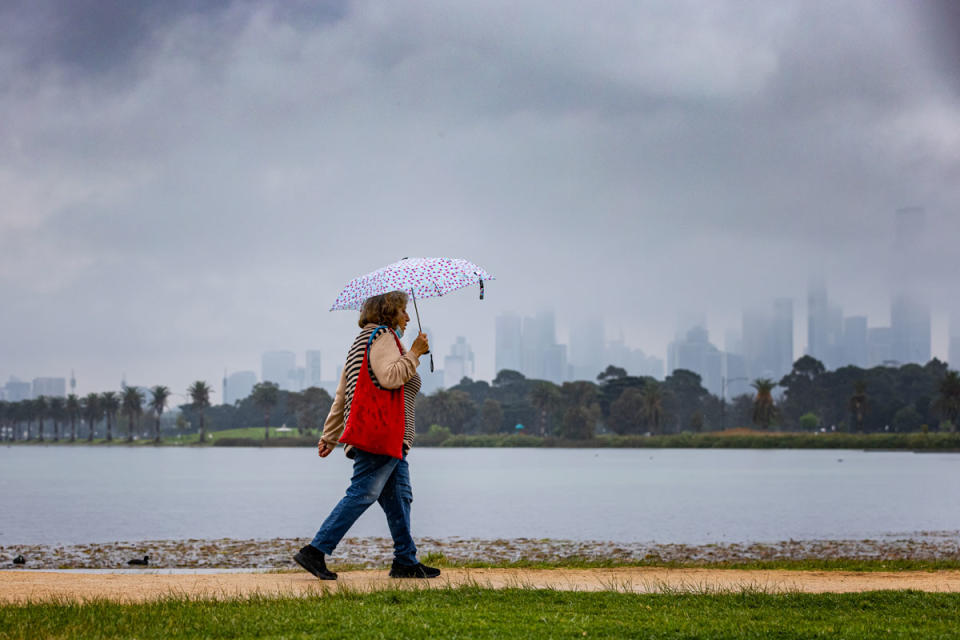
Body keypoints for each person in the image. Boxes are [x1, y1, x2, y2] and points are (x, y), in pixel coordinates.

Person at [294, 290, 440, 580]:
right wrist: (415, 353)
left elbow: (343, 395)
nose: (408, 317)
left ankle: (405, 562)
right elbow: (390, 377)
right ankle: (316, 550)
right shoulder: (384, 336)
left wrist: (330, 435)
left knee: (400, 497)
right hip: (382, 435)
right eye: (402, 311)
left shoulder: (361, 341)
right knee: (363, 492)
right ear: (388, 313)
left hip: (388, 439)